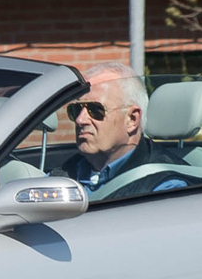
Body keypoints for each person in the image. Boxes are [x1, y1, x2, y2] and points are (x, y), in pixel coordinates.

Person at [50, 62, 177, 194]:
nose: (80, 120)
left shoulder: (165, 186)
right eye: (76, 110)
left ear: (132, 119)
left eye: (95, 110)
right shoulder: (63, 175)